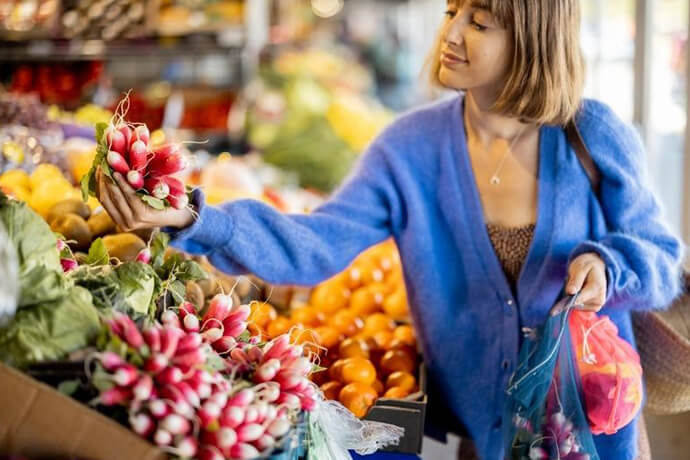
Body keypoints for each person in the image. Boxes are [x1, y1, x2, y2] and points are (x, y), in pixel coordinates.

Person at [97, 1, 683, 458]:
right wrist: (198, 218)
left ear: (532, 38)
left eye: (479, 22)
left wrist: (610, 267)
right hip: (470, 440)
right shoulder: (410, 150)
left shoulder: (591, 133)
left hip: (592, 436)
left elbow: (660, 259)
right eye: (453, 11)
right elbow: (316, 244)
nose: (450, 33)